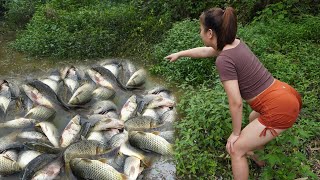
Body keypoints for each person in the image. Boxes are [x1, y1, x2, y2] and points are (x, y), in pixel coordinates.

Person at [165, 7, 302, 180]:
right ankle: (260, 160)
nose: (199, 33)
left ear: (209, 33)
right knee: (253, 118)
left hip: (280, 107)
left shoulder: (224, 60)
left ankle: (244, 150)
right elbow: (207, 51)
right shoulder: (235, 43)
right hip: (284, 93)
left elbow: (236, 102)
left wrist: (236, 134)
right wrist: (180, 54)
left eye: (200, 29)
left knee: (235, 149)